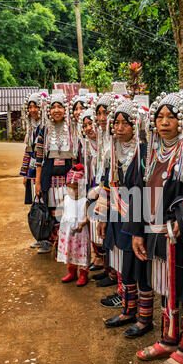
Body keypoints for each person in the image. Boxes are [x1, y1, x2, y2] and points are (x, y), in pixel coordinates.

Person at [123, 92, 183, 364]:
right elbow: (139, 194)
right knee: (166, 288)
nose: (164, 122)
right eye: (160, 117)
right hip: (154, 235)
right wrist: (137, 233)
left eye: (171, 117)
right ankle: (168, 339)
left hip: (181, 238)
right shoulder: (150, 155)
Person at [98, 99, 155, 338]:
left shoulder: (143, 153)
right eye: (116, 123)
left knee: (140, 268)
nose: (120, 128)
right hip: (118, 215)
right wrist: (102, 215)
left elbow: (146, 191)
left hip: (138, 219)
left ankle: (145, 318)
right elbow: (108, 184)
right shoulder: (114, 151)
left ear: (136, 125)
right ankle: (128, 309)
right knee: (125, 267)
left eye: (126, 123)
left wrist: (138, 229)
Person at [35, 93, 74, 254]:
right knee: (52, 209)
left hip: (68, 178)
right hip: (50, 179)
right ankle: (52, 240)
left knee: (67, 210)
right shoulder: (44, 131)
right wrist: (37, 182)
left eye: (60, 107)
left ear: (65, 109)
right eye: (53, 107)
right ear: (49, 110)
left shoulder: (73, 130)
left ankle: (67, 242)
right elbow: (38, 158)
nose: (56, 110)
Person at [90, 93, 121, 292]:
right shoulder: (103, 136)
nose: (102, 118)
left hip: (118, 195)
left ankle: (117, 281)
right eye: (99, 113)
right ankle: (110, 271)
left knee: (114, 234)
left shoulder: (118, 139)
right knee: (106, 231)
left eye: (106, 113)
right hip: (105, 189)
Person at [57, 164, 90, 287]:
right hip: (68, 233)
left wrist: (82, 223)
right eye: (69, 188)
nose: (71, 191)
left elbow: (88, 217)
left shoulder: (84, 201)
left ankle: (83, 274)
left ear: (81, 187)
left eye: (74, 188)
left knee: (81, 252)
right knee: (69, 251)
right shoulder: (66, 199)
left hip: (81, 233)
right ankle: (71, 272)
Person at [19, 92, 45, 248]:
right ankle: (39, 236)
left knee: (44, 204)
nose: (33, 110)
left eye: (36, 106)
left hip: (41, 170)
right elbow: (28, 150)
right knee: (35, 205)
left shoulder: (45, 126)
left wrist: (38, 176)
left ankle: (47, 238)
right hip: (32, 170)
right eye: (30, 107)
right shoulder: (31, 127)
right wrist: (25, 175)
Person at [81, 108, 104, 272]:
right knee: (93, 223)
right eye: (85, 125)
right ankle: (99, 257)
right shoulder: (86, 146)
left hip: (103, 190)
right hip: (91, 189)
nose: (89, 128)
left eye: (91, 123)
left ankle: (105, 262)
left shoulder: (107, 144)